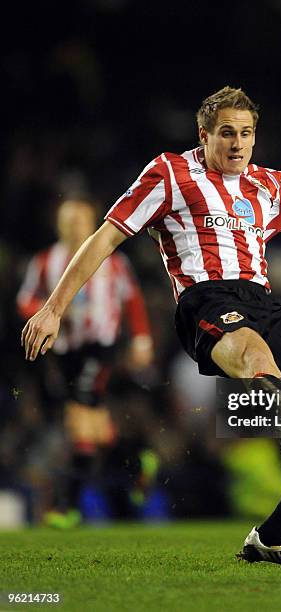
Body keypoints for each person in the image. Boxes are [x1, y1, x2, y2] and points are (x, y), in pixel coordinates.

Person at [21, 87, 281, 563]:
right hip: (205, 301)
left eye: (246, 133)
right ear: (203, 135)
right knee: (256, 360)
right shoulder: (169, 173)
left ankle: (273, 537)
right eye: (227, 133)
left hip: (263, 303)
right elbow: (105, 239)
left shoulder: (268, 185)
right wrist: (54, 306)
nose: (238, 143)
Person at [18, 198, 154, 526]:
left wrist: (141, 338)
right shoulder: (46, 261)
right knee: (93, 424)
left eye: (81, 220)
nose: (75, 226)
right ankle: (137, 461)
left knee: (78, 416)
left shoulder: (113, 261)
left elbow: (132, 300)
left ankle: (68, 505)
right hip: (65, 351)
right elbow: (26, 300)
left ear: (92, 223)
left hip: (100, 347)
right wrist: (47, 315)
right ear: (59, 224)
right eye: (69, 220)